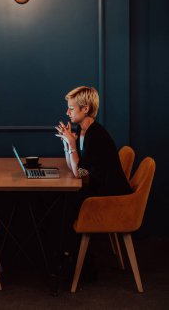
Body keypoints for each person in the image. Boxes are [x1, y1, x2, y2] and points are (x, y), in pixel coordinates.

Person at [55, 86, 132, 282]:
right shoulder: (83, 132)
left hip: (110, 198)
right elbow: (76, 170)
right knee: (62, 201)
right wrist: (68, 144)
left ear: (85, 109)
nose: (67, 112)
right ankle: (67, 257)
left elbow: (79, 173)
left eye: (71, 108)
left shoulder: (95, 136)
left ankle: (73, 262)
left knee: (64, 202)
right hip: (99, 190)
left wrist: (71, 146)